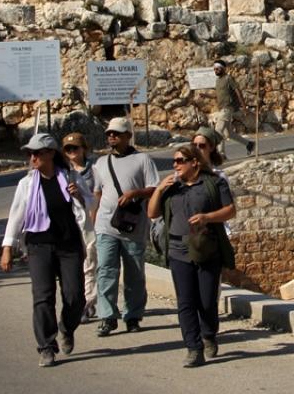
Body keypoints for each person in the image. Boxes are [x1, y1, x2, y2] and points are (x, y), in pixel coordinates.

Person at [0, 133, 92, 368]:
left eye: (37, 153)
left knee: (75, 297)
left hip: (68, 244)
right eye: (30, 154)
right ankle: (46, 346)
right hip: (38, 245)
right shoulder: (27, 184)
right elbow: (16, 215)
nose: (33, 158)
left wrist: (78, 195)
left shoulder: (70, 177)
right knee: (43, 296)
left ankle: (66, 327)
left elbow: (91, 205)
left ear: (50, 153)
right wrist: (7, 247)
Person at [149, 139, 236, 368]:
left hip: (207, 249)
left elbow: (230, 210)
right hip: (178, 251)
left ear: (194, 163)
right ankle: (193, 348)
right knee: (185, 302)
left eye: (180, 161)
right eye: (174, 161)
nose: (175, 165)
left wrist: (207, 217)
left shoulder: (214, 184)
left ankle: (209, 334)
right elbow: (152, 213)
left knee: (206, 301)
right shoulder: (171, 188)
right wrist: (159, 189)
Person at [90, 117, 159, 337]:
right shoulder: (101, 163)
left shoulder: (143, 160)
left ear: (128, 136)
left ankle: (133, 315)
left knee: (134, 274)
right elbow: (97, 194)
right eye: (110, 133)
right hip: (105, 225)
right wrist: (93, 221)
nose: (112, 137)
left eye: (117, 133)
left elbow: (154, 188)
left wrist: (134, 194)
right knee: (106, 271)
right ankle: (107, 317)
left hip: (133, 227)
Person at [61, 132, 98, 322]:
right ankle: (78, 301)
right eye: (68, 149)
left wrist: (80, 196)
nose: (72, 152)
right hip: (68, 226)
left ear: (84, 148)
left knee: (89, 265)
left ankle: (87, 303)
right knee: (72, 267)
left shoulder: (94, 170)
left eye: (75, 148)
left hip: (90, 224)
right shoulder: (61, 172)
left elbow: (95, 199)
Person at [211, 60, 255, 156]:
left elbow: (237, 91)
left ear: (223, 68)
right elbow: (219, 96)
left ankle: (221, 154)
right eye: (214, 69)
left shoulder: (228, 78)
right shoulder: (218, 81)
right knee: (229, 134)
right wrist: (206, 96)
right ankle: (249, 144)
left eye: (217, 68)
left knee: (218, 130)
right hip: (222, 109)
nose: (216, 70)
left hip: (228, 108)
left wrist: (244, 107)